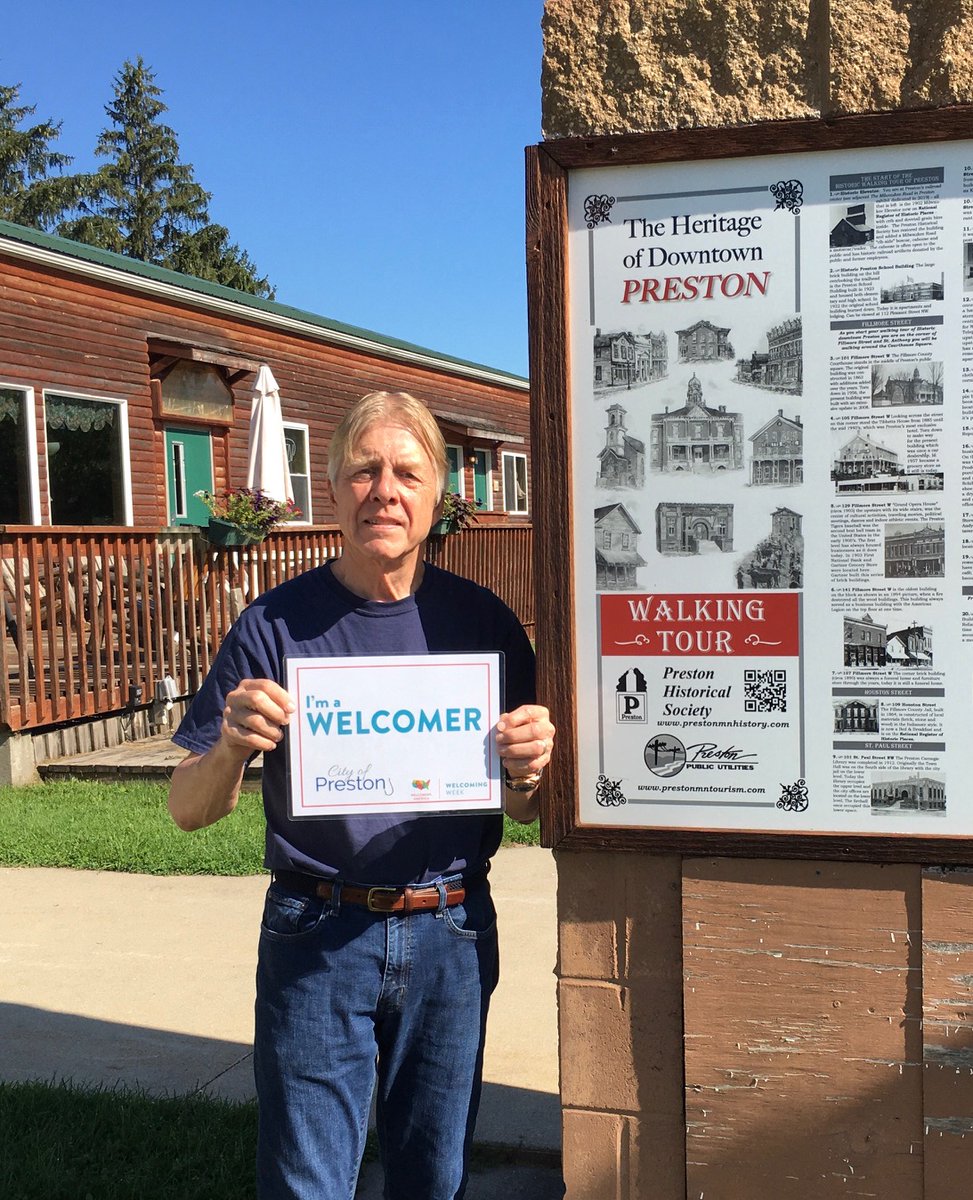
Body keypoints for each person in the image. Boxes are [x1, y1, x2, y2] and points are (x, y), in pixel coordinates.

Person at [167, 391, 555, 1200]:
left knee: (435, 1178)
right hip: (315, 932)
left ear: (436, 494)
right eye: (362, 471)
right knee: (306, 1183)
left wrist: (526, 768)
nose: (384, 490)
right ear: (334, 490)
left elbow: (521, 809)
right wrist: (233, 744)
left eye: (406, 473)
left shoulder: (483, 624)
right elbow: (187, 809)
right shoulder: (274, 625)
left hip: (449, 931)